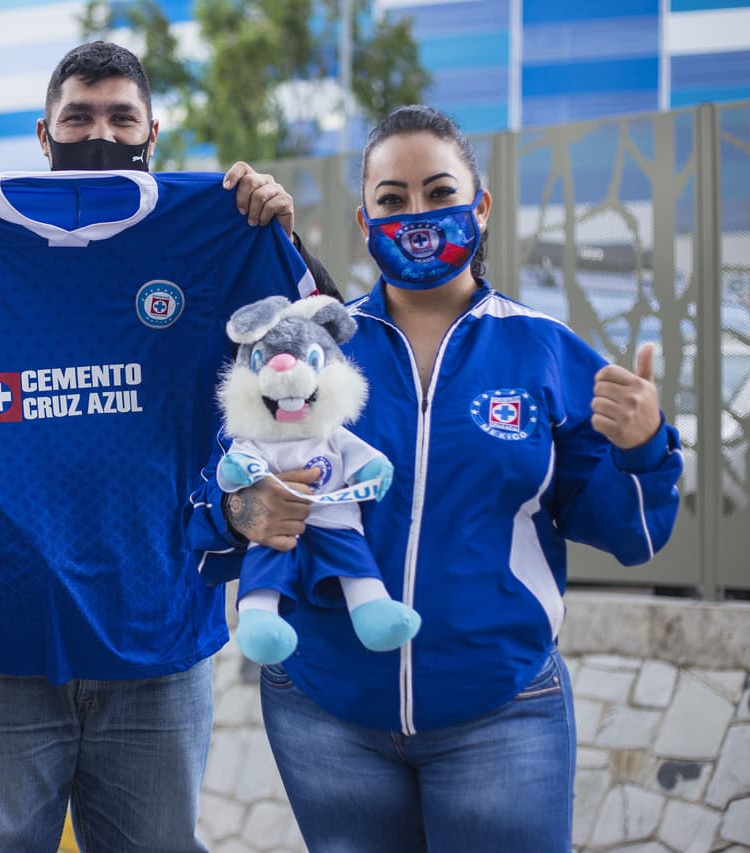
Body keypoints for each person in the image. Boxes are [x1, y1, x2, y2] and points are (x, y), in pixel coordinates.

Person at [0, 40, 336, 853]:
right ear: (44, 133)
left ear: (154, 133)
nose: (100, 133)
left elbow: (318, 349)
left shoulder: (219, 229)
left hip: (160, 636)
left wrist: (283, 234)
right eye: (79, 116)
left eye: (121, 117)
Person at [189, 104, 683, 852]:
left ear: (480, 207)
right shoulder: (314, 355)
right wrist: (241, 508)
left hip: (503, 716)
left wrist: (643, 447)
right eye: (392, 200)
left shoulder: (547, 353)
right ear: (364, 222)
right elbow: (215, 505)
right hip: (326, 716)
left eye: (439, 192)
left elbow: (633, 534)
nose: (416, 214)